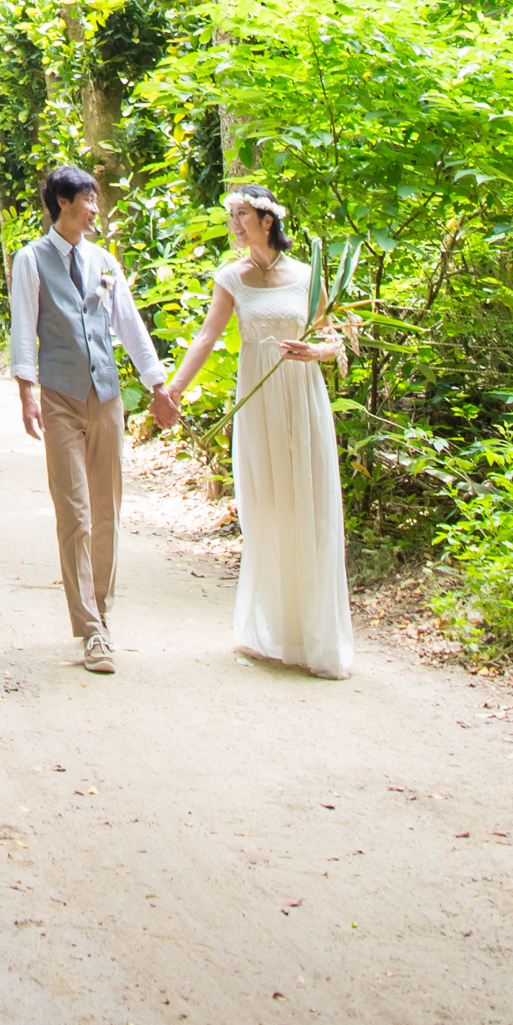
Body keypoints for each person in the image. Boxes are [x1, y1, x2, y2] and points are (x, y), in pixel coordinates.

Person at [163, 182, 355, 681]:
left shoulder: (307, 276)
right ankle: (275, 631)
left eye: (242, 213)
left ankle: (316, 636)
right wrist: (174, 390)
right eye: (233, 214)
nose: (234, 222)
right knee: (269, 509)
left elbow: (334, 339)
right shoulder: (231, 277)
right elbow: (207, 335)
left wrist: (316, 352)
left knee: (308, 506)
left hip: (302, 398)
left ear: (267, 220)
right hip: (259, 405)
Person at [6, 163, 176, 675]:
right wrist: (27, 391)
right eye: (88, 201)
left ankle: (103, 607)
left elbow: (129, 326)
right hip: (59, 397)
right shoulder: (30, 260)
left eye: (96, 202)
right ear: (63, 203)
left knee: (107, 511)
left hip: (106, 398)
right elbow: (22, 327)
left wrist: (158, 386)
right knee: (75, 512)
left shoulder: (105, 261)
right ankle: (90, 629)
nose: (95, 211)